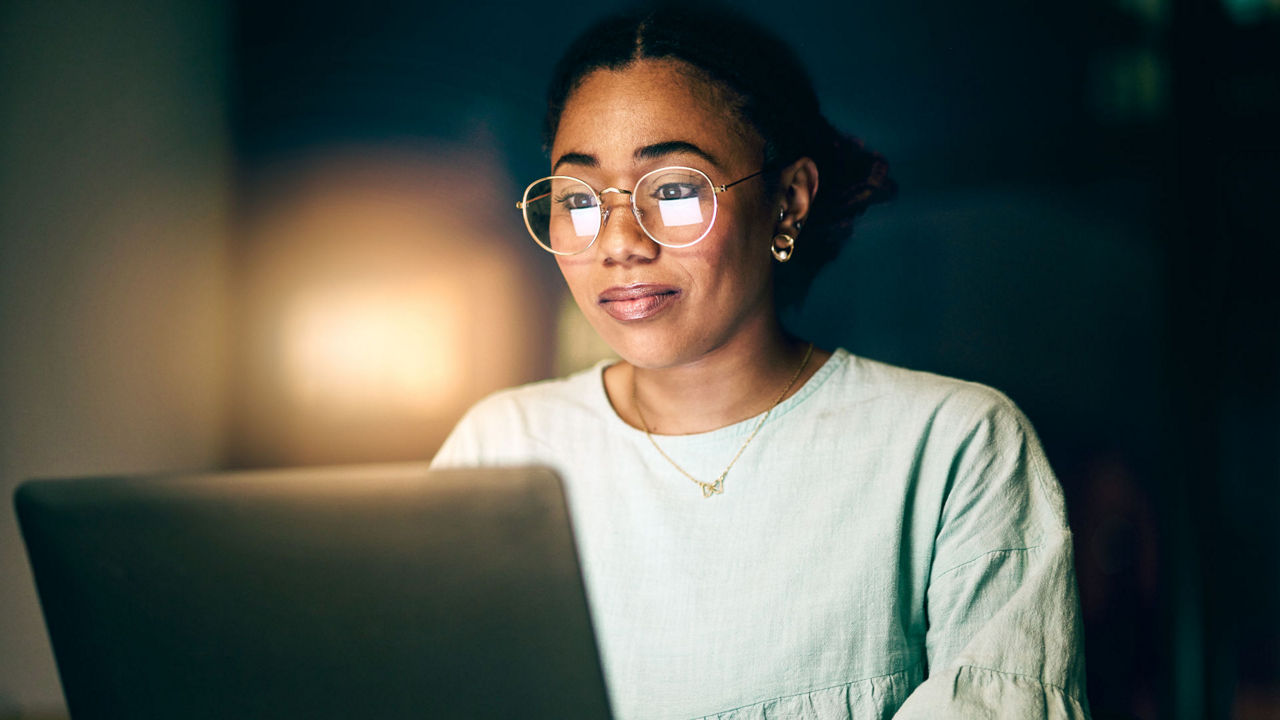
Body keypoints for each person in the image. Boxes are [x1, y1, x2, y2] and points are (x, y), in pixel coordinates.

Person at [431, 3, 1090, 718]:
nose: (619, 241)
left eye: (675, 190)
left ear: (788, 200)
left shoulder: (951, 449)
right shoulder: (503, 450)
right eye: (579, 197)